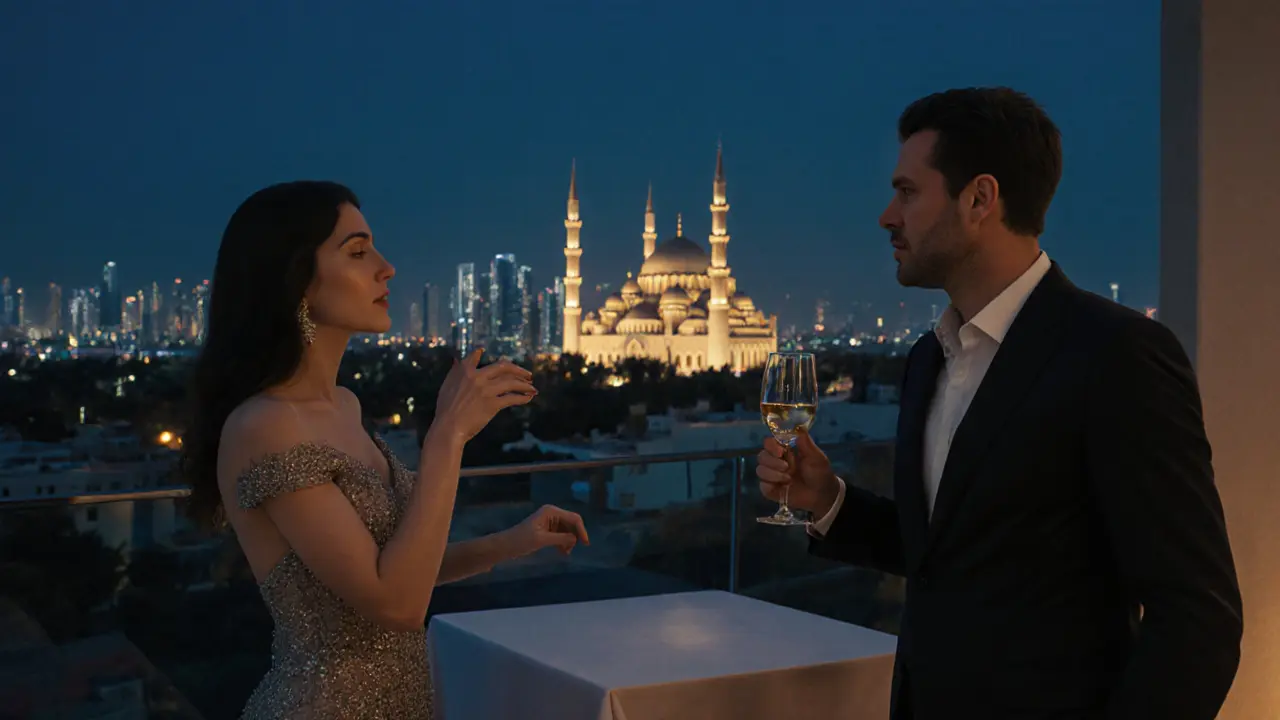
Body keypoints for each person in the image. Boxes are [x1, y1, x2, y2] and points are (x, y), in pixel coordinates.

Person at [757, 88, 1242, 719]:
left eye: (907, 192)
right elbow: (949, 559)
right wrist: (829, 501)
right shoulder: (930, 358)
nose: (886, 215)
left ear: (979, 199)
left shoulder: (1115, 355)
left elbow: (1198, 618)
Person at [181, 181, 590, 719]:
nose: (386, 267)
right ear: (297, 280)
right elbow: (397, 604)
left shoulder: (345, 406)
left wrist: (516, 540)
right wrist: (447, 436)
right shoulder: (265, 426)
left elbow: (401, 568)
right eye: (357, 251)